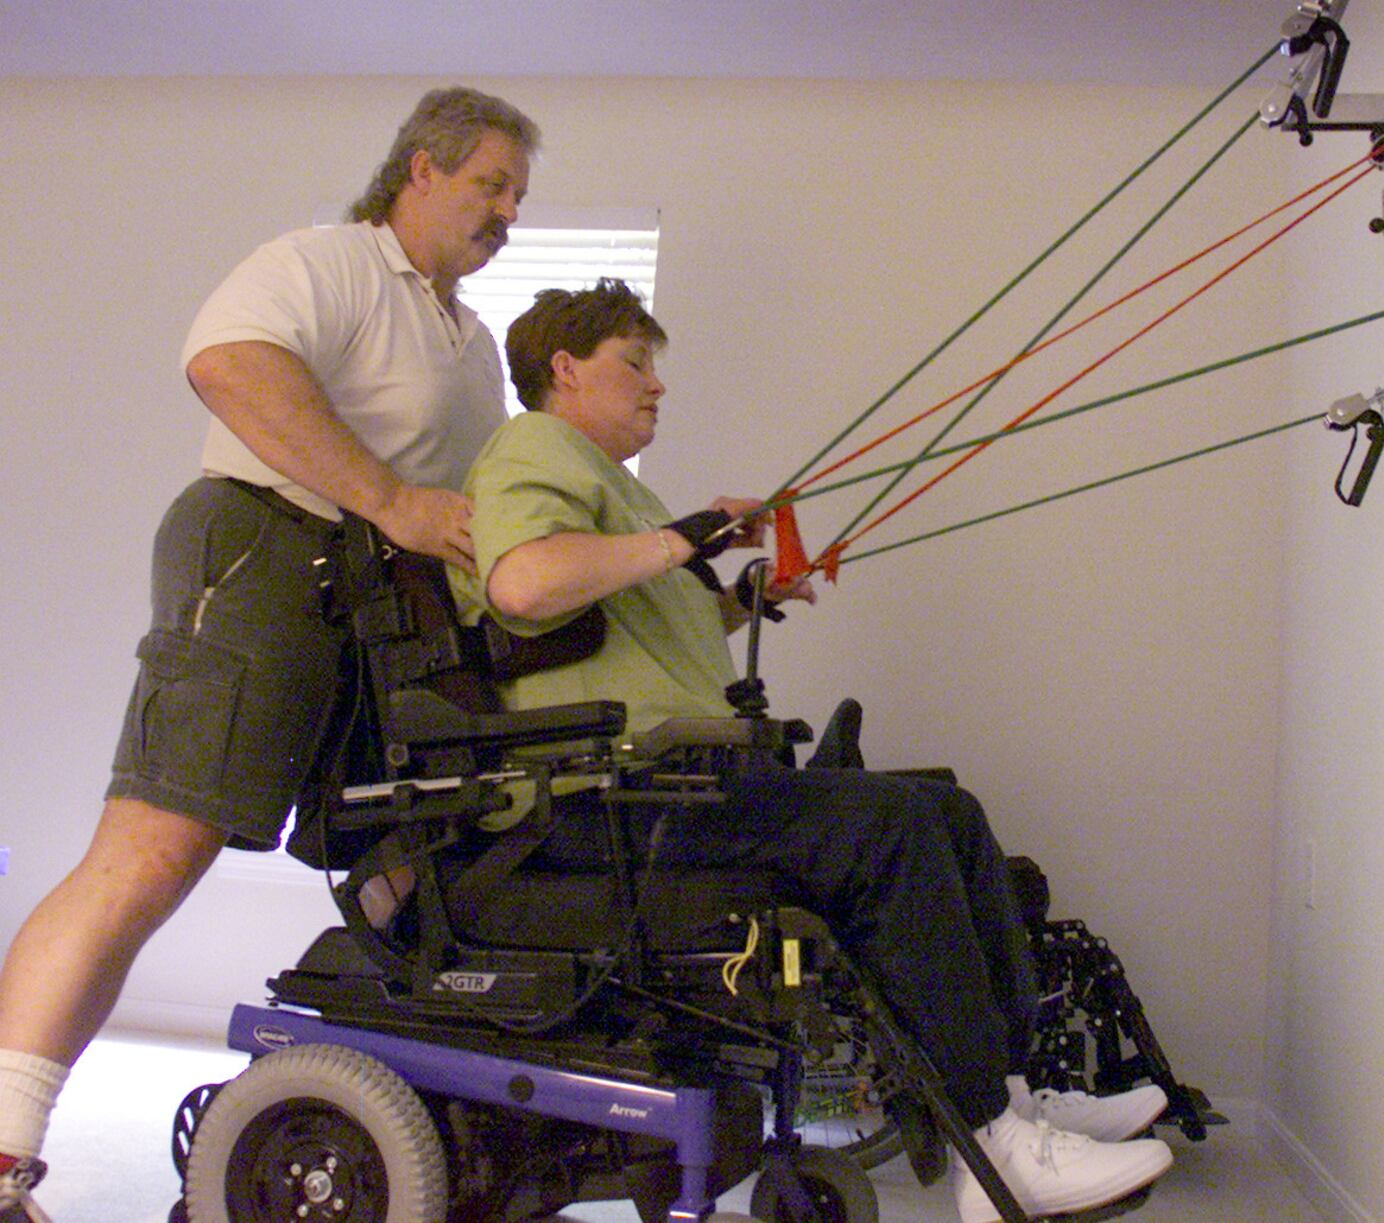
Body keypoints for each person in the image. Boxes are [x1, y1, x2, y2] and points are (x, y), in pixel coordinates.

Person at [448, 279, 1175, 1222]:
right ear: (564, 367)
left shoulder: (617, 493)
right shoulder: (533, 447)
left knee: (947, 809)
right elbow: (524, 583)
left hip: (662, 791)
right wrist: (681, 539)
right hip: (603, 804)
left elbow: (628, 621)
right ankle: (995, 1146)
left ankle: (1018, 1092)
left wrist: (739, 599)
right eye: (636, 362)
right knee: (890, 829)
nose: (656, 386)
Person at [0, 85, 538, 1220]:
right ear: (420, 171)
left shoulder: (472, 341)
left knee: (421, 862)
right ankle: (2, 1155)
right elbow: (226, 364)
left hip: (380, 607)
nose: (506, 213)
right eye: (490, 183)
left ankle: (376, 1111)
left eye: (519, 196)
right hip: (262, 550)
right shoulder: (331, 261)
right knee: (152, 854)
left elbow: (488, 516)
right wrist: (390, 496)